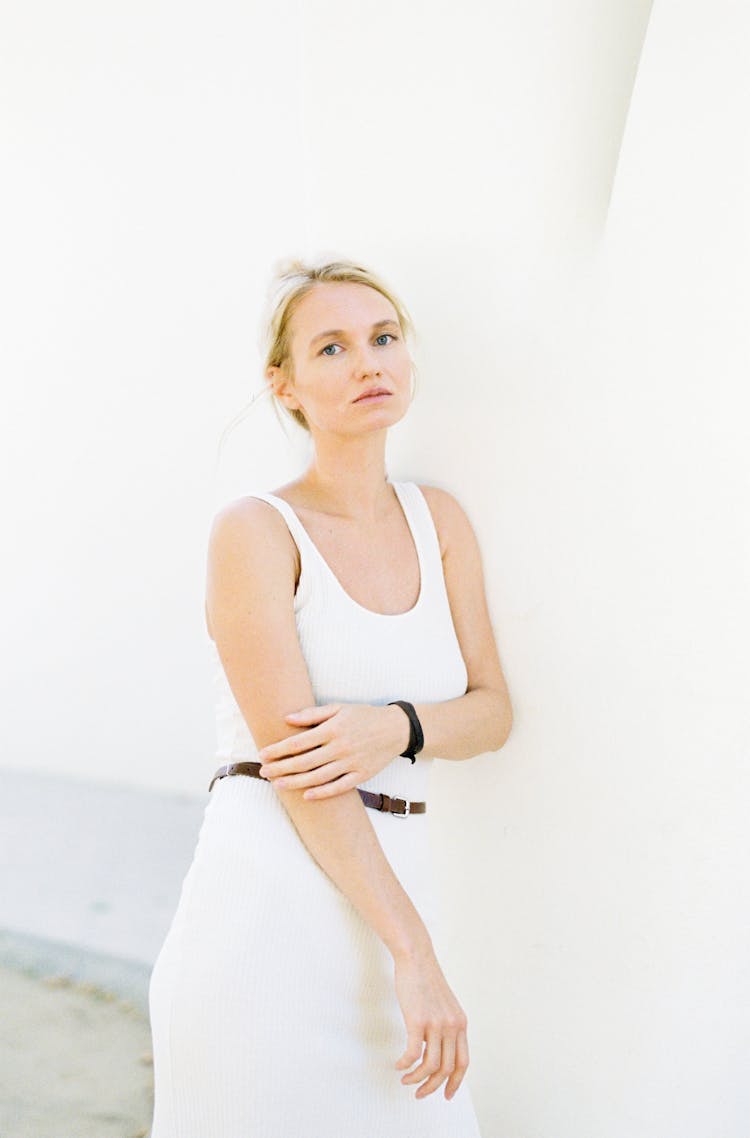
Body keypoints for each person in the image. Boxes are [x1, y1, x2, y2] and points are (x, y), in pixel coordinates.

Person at [147, 258, 513, 1137]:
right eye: (334, 347)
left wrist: (395, 726)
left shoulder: (440, 522)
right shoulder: (255, 531)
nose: (368, 363)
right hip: (266, 912)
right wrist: (414, 950)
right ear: (289, 386)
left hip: (393, 912)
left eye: (384, 338)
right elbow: (302, 770)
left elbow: (493, 713)